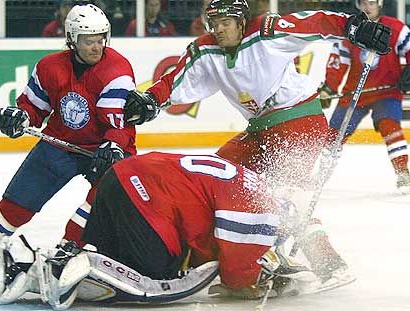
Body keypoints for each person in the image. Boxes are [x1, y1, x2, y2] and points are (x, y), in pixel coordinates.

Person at [121, 0, 391, 285]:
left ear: (241, 22)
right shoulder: (206, 50)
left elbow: (314, 22)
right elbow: (176, 80)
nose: (219, 29)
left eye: (226, 23)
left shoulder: (267, 32)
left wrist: (352, 26)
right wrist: (151, 99)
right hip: (260, 129)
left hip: (299, 120)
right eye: (214, 23)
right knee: (217, 177)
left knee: (285, 197)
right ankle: (228, 257)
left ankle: (329, 264)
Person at [0, 152, 321, 309]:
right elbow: (236, 277)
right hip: (144, 199)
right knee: (158, 271)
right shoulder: (261, 209)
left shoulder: (249, 182)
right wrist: (258, 282)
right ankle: (70, 271)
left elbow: (204, 236)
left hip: (122, 178)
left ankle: (25, 267)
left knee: (118, 257)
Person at [0, 4, 137, 274]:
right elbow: (33, 108)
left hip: (105, 151)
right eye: (88, 41)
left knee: (97, 209)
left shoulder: (116, 69)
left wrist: (114, 145)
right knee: (14, 207)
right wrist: (20, 116)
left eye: (101, 39)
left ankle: (67, 256)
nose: (97, 47)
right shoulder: (49, 67)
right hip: (58, 144)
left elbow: (117, 122)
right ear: (72, 39)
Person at [318, 0, 410, 194]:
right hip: (355, 94)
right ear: (358, 6)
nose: (367, 7)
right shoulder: (350, 29)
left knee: (390, 127)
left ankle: (403, 173)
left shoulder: (396, 28)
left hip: (387, 92)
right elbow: (338, 61)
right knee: (333, 136)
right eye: (363, 3)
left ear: (379, 4)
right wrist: (329, 87)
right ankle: (318, 177)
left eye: (371, 2)